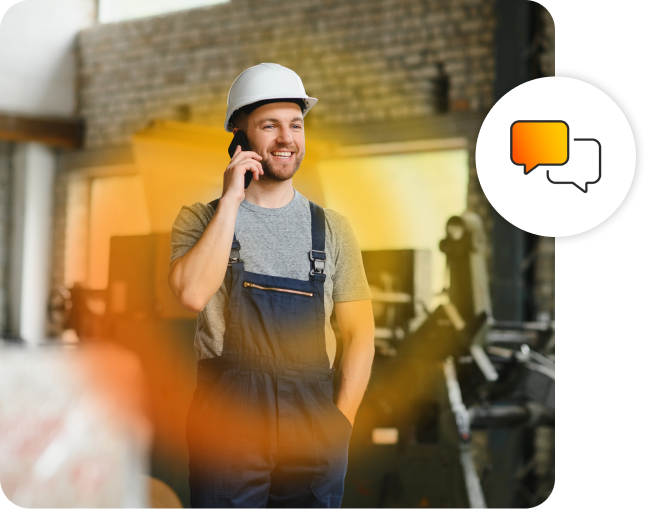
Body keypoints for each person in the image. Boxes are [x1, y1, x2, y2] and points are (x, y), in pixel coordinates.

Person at [168, 63, 375, 508]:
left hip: (315, 425)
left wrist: (341, 422)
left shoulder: (333, 229)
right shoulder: (201, 219)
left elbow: (361, 333)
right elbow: (189, 295)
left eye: (296, 125)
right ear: (240, 135)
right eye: (270, 125)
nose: (287, 139)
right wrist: (231, 201)